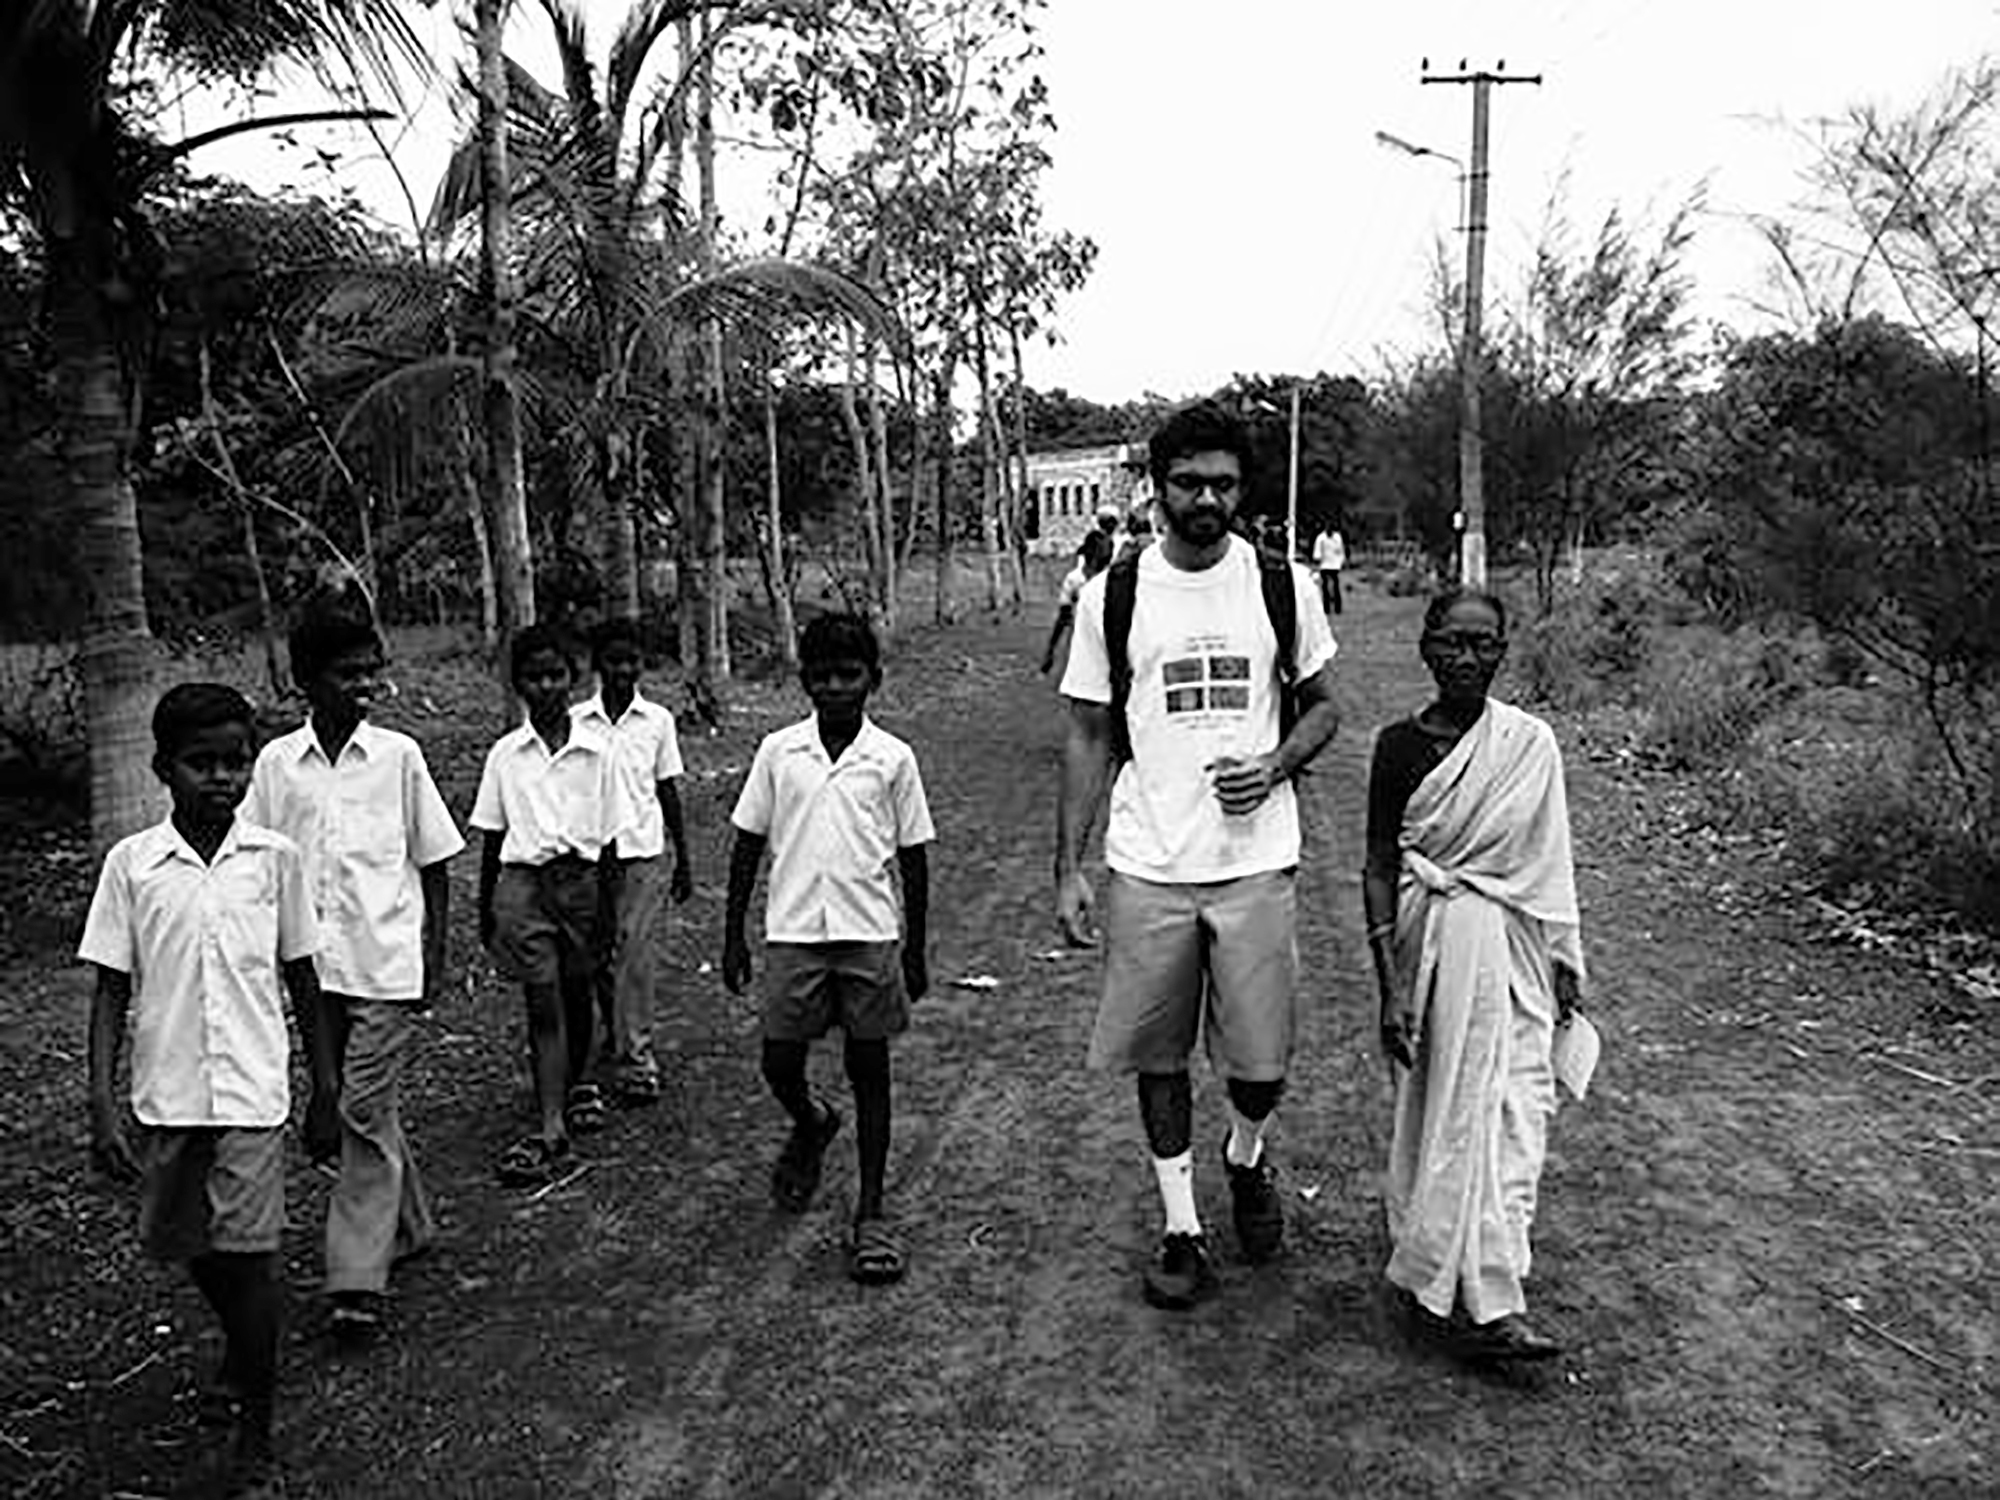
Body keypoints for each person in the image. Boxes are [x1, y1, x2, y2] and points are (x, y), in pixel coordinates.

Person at [1056, 402, 1341, 1310]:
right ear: (1158, 488)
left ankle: (1246, 1154)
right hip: (1149, 860)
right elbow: (1091, 734)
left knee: (1261, 1064)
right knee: (1161, 1056)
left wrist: (1276, 763)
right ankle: (1182, 1226)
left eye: (1222, 483)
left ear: (1241, 489)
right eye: (1188, 483)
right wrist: (1069, 866)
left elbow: (1327, 705)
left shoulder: (1280, 585)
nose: (1206, 499)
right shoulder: (1117, 595)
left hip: (1255, 857)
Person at [82, 683, 331, 1499]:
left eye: (236, 762)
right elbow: (112, 989)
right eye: (201, 764)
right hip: (168, 1095)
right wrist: (102, 1103)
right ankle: (238, 1340)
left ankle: (257, 1440)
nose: (221, 779)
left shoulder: (275, 861)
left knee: (251, 1259)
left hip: (254, 1095)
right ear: (162, 769)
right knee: (189, 1247)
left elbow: (304, 975)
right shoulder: (133, 865)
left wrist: (325, 1085)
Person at [1363, 587, 1585, 1363]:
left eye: (1484, 643)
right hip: (1435, 947)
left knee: (1517, 1109)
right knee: (1446, 1108)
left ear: (1503, 651)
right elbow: (1380, 866)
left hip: (1516, 955)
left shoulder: (1530, 745)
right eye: (1453, 643)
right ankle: (1475, 1293)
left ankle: (1485, 1280)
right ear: (1427, 648)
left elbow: (1548, 864)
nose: (1467, 657)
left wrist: (1563, 962)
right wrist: (1390, 983)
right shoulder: (1397, 746)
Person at [242, 609, 464, 1343]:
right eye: (348, 673)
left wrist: (435, 958)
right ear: (307, 682)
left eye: (373, 669)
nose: (367, 684)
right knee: (356, 1106)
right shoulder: (277, 766)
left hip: (384, 964)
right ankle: (413, 1222)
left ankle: (356, 1279)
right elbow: (257, 860)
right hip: (311, 975)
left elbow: (435, 863)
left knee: (356, 1110)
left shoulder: (398, 756)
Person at [723, 612, 933, 1285]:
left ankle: (871, 1213)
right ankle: (811, 1119)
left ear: (874, 678)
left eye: (849, 675)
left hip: (869, 934)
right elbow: (748, 842)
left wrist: (916, 949)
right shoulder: (779, 752)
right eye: (821, 677)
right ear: (802, 680)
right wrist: (733, 934)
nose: (835, 688)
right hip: (793, 932)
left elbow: (914, 856)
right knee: (779, 1058)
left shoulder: (892, 758)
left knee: (870, 1070)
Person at [472, 624, 625, 1186]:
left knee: (578, 992)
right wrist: (486, 904)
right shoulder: (506, 755)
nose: (546, 686)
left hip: (581, 884)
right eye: (534, 677)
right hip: (524, 887)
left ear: (574, 678)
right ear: (518, 685)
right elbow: (492, 834)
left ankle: (577, 1079)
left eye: (556, 675)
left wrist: (608, 912)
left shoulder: (599, 753)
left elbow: (610, 842)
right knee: (541, 1003)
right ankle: (550, 1123)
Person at [574, 618, 694, 1107]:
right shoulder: (577, 721)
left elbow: (667, 788)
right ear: (598, 664)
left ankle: (637, 1058)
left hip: (642, 852)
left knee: (635, 954)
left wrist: (684, 856)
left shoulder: (658, 722)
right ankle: (614, 1033)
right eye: (615, 660)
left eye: (633, 661)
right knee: (597, 953)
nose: (625, 670)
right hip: (586, 855)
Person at [1041, 528, 1114, 675]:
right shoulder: (1074, 580)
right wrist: (1050, 650)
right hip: (1082, 644)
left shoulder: (1111, 580)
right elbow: (1063, 617)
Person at [1313, 523, 1347, 616]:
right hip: (1324, 565)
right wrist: (1318, 560)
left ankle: (1337, 608)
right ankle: (1326, 608)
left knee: (1335, 586)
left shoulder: (1337, 538)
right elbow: (1317, 552)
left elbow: (1340, 551)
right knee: (1325, 587)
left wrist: (1341, 561)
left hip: (1335, 565)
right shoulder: (1321, 538)